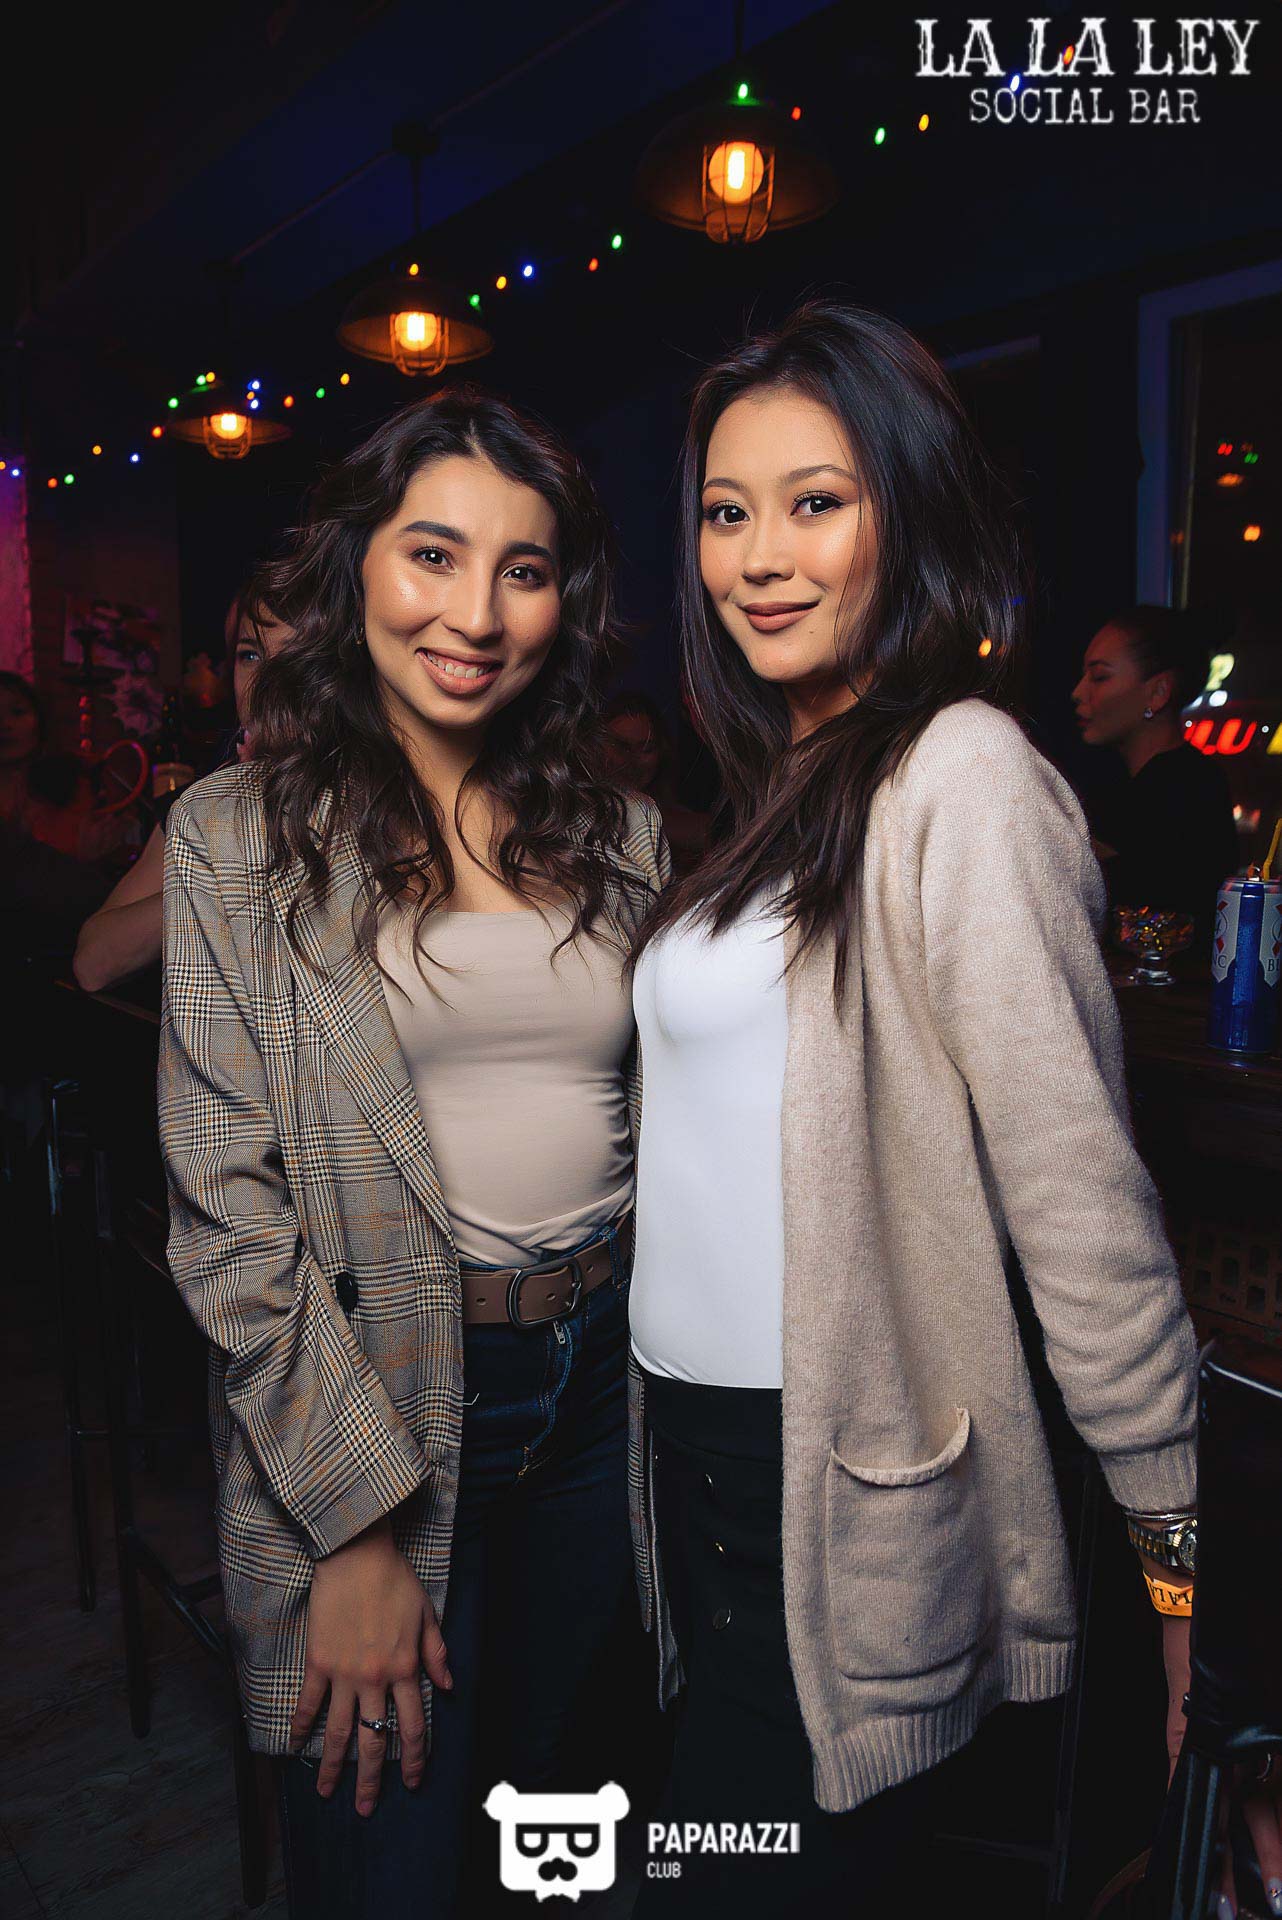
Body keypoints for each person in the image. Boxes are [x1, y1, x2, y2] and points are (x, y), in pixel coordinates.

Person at [621, 303, 1254, 1913]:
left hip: (830, 1501)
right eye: (725, 510)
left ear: (905, 517)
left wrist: (1185, 1583)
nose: (760, 556)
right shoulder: (783, 788)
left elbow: (1080, 1205)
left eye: (816, 502)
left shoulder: (959, 774)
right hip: (693, 1475)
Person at [157, 389, 668, 1919]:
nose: (476, 613)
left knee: (556, 1839)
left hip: (605, 1388)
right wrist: (355, 1526)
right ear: (357, 566)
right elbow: (227, 1216)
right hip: (377, 1387)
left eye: (525, 569)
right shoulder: (236, 836)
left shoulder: (623, 834)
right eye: (432, 554)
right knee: (388, 1853)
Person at [73, 595, 287, 994]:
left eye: (296, 656)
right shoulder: (200, 807)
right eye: (250, 655)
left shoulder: (381, 802)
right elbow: (93, 963)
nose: (265, 683)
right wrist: (230, 847)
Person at [1072, 606, 1238, 950]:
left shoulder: (1192, 789)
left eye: (1099, 677)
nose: (1078, 692)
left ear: (1158, 692)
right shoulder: (1121, 785)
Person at [600, 690, 709, 876]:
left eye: (646, 749)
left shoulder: (679, 815)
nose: (632, 761)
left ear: (662, 752)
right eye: (620, 746)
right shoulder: (578, 816)